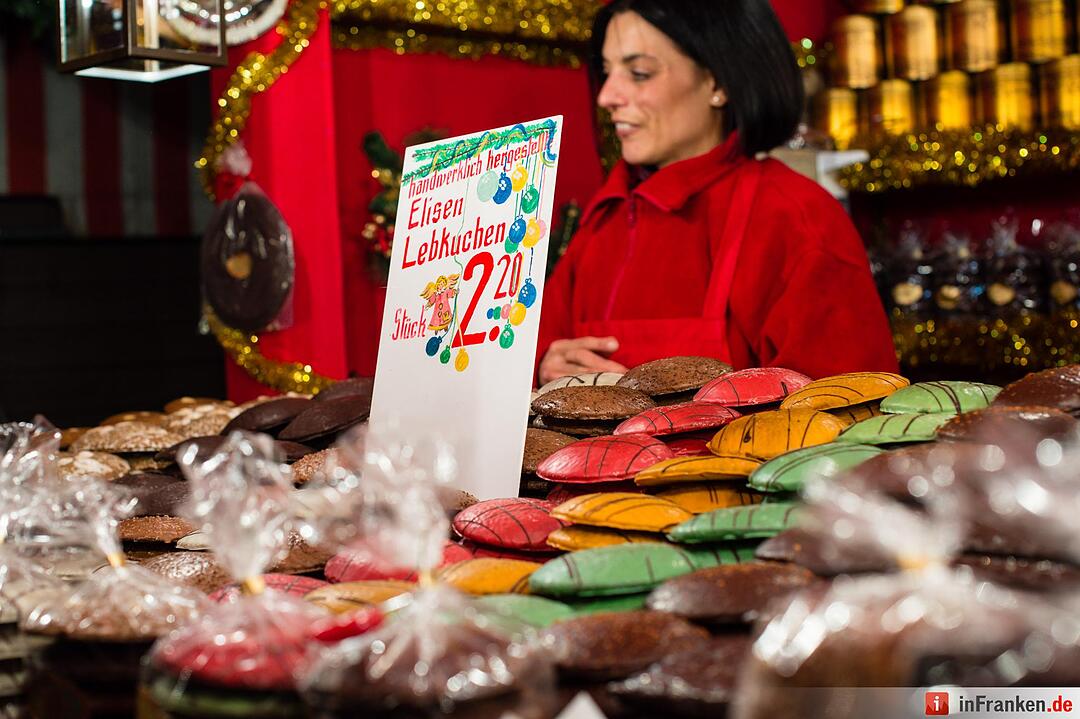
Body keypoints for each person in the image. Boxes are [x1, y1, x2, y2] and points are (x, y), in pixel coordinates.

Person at [536, 0, 898, 384]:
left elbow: (849, 413)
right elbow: (534, 350)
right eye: (607, 72)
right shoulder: (603, 218)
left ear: (719, 84)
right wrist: (545, 364)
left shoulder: (796, 216)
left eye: (639, 73)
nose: (606, 96)